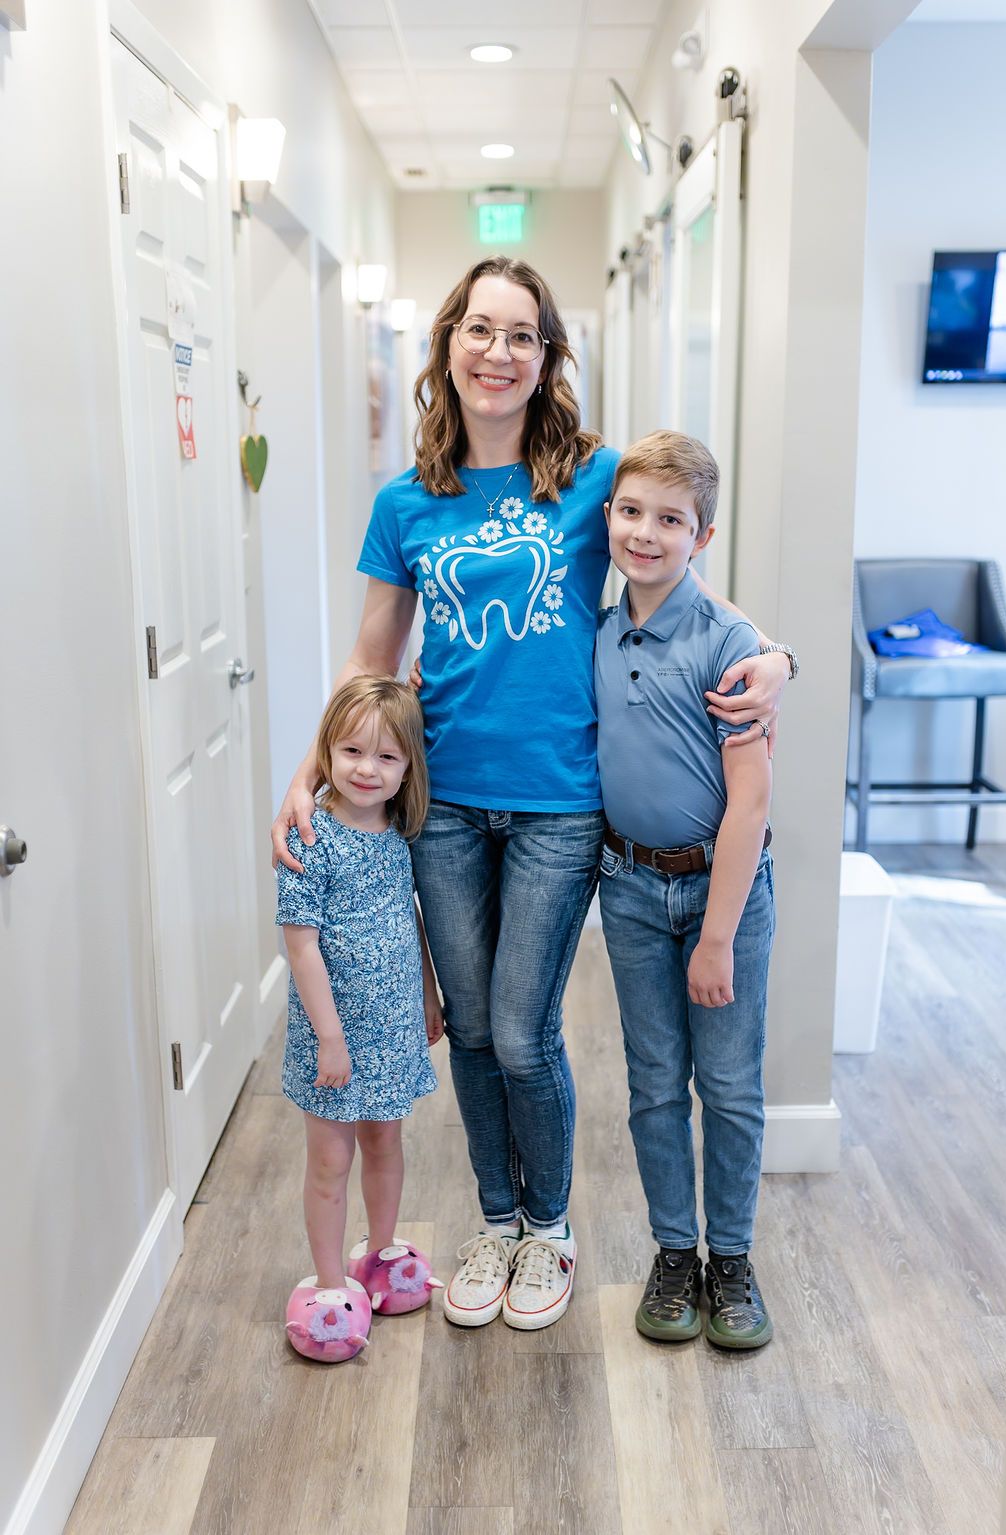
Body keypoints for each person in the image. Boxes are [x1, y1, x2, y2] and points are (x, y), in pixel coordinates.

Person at [272, 256, 794, 1334]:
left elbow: (677, 564)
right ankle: (496, 1216)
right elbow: (374, 655)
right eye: (478, 328)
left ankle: (548, 1225)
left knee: (520, 1028)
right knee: (464, 1026)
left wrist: (774, 651)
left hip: (562, 803)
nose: (497, 352)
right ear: (448, 343)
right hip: (444, 804)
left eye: (521, 334)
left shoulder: (593, 474)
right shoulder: (406, 501)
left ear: (547, 353)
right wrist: (309, 769)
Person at [596, 431, 778, 1349]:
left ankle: (732, 1258)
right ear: (609, 518)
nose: (646, 533)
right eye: (632, 512)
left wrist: (716, 935)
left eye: (671, 519)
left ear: (702, 536)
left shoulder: (734, 646)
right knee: (656, 1084)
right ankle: (676, 1252)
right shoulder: (598, 631)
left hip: (723, 898)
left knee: (732, 1087)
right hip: (628, 888)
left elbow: (748, 804)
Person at [276, 676, 443, 1299]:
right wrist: (329, 1038)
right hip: (333, 1036)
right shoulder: (309, 837)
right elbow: (301, 946)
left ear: (407, 768)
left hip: (392, 1024)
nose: (367, 769)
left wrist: (427, 992)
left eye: (386, 756)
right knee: (330, 1161)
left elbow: (411, 919)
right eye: (351, 751)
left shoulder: (400, 836)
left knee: (385, 1141)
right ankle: (327, 1284)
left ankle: (379, 1251)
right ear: (326, 753)